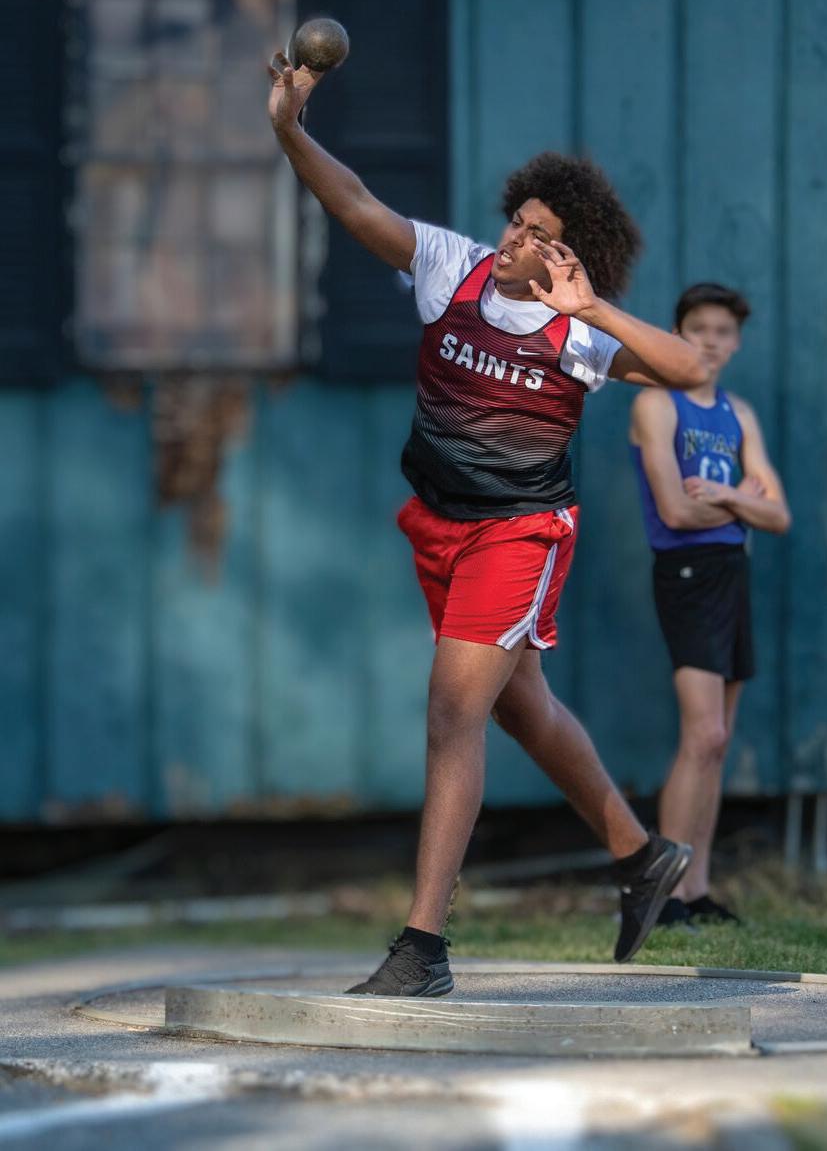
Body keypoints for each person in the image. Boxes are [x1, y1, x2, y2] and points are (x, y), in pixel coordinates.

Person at [267, 50, 707, 996]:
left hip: (520, 532)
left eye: (541, 235)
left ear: (568, 257)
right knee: (520, 706)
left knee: (452, 711)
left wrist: (598, 309)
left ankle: (423, 948)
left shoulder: (579, 332)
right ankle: (641, 857)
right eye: (519, 220)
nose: (517, 238)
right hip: (439, 524)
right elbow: (354, 203)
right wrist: (291, 130)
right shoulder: (452, 267)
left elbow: (690, 370)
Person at [629, 283, 791, 927]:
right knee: (705, 734)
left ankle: (696, 888)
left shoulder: (738, 413)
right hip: (687, 573)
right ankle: (662, 894)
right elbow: (674, 510)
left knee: (718, 744)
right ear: (678, 334)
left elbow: (778, 515)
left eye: (723, 331)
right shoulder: (656, 405)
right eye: (699, 328)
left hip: (732, 571)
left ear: (737, 342)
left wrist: (725, 497)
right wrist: (745, 502)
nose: (711, 341)